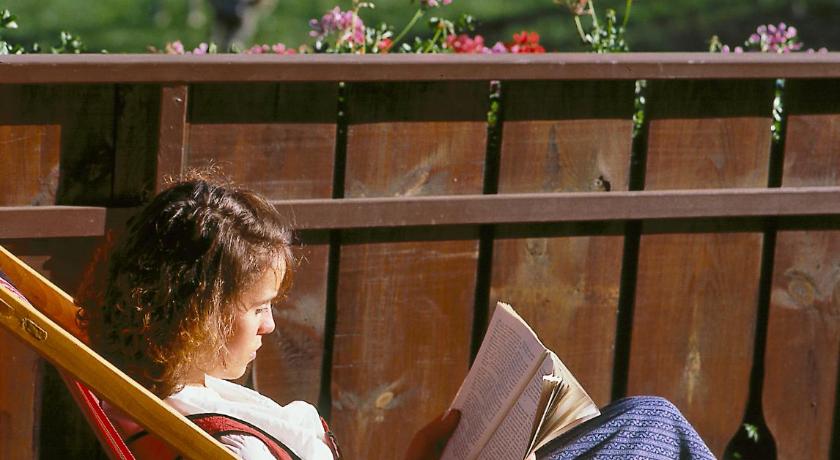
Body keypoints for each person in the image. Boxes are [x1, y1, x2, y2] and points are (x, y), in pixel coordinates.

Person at [81, 173, 713, 459]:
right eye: (259, 309)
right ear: (199, 313)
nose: (270, 326)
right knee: (652, 428)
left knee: (643, 419)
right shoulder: (227, 445)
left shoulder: (166, 397)